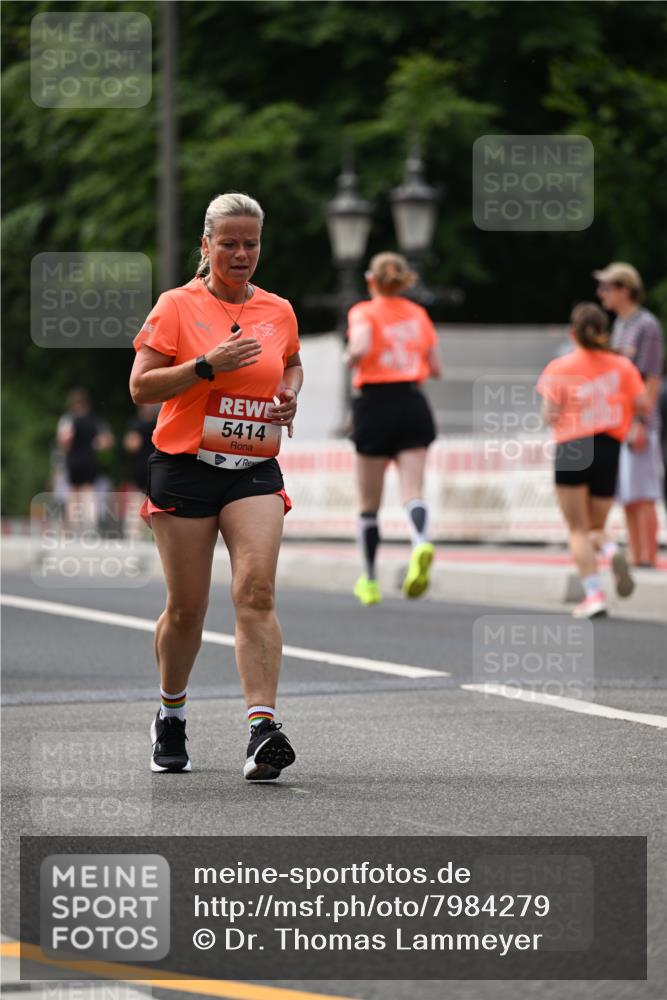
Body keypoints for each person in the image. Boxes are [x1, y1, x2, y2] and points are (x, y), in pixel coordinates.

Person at [130, 192, 302, 781]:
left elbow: (292, 362)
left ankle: (261, 730)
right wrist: (208, 365)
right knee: (188, 608)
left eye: (250, 243)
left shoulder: (279, 309)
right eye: (228, 242)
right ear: (206, 246)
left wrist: (289, 395)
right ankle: (170, 715)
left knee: (255, 590)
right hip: (185, 467)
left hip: (253, 467)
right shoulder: (176, 305)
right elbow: (142, 388)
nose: (240, 253)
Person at [537, 303, 649, 619]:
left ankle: (594, 595)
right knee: (597, 526)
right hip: (609, 445)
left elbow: (549, 415)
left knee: (577, 528)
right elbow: (641, 403)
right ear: (604, 332)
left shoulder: (559, 367)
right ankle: (612, 549)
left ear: (573, 333)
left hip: (573, 445)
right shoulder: (622, 366)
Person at [344, 251, 442, 606]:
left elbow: (362, 345)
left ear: (372, 281)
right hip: (412, 401)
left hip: (374, 402)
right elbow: (435, 366)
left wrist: (351, 357)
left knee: (369, 503)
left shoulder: (364, 311)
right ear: (402, 282)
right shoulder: (419, 315)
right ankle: (421, 541)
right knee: (412, 490)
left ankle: (369, 580)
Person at [594, 262, 664, 567]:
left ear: (625, 289)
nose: (602, 294)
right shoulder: (621, 325)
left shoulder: (646, 326)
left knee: (643, 492)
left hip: (637, 421)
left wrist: (640, 421)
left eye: (607, 288)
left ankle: (647, 555)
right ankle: (638, 554)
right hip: (619, 420)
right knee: (628, 492)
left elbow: (651, 378)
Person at [56, 388, 114, 529]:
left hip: (73, 461)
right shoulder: (95, 420)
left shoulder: (69, 420)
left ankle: (74, 527)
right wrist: (96, 445)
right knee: (89, 491)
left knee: (73, 493)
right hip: (89, 461)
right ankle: (90, 526)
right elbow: (107, 441)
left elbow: (64, 440)